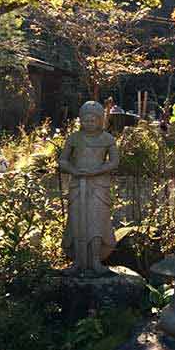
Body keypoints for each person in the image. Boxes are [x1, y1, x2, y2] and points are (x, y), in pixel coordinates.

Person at [59, 101, 119, 275]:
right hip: (78, 184)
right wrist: (74, 170)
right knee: (77, 222)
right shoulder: (74, 138)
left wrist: (96, 171)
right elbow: (63, 160)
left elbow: (114, 161)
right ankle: (78, 261)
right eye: (86, 120)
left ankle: (95, 261)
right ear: (80, 120)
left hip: (99, 185)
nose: (89, 124)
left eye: (93, 120)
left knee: (96, 222)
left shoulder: (107, 139)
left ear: (100, 120)